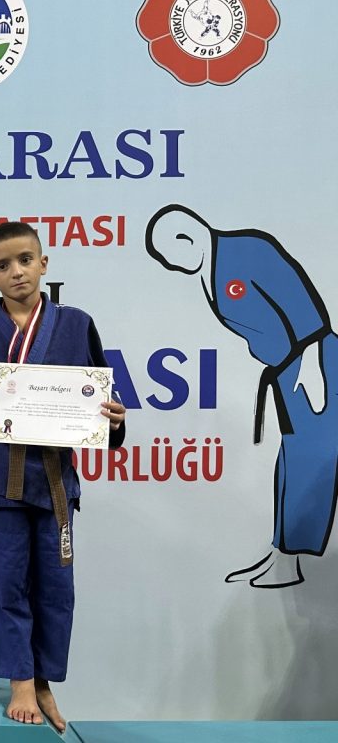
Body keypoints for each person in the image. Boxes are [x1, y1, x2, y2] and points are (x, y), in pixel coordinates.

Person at [0, 221, 126, 732]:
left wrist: (113, 421)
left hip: (53, 482)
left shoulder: (76, 324)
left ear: (44, 263)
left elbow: (98, 397)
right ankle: (21, 681)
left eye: (25, 260)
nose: (17, 272)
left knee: (55, 585)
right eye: (2, 266)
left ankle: (44, 678)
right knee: (4, 582)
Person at [147, 204, 337, 587]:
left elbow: (300, 302)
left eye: (173, 255)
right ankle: (281, 554)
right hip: (286, 367)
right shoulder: (210, 270)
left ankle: (292, 562)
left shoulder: (249, 250)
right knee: (291, 458)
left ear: (189, 235)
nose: (173, 266)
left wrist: (314, 362)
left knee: (313, 457)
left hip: (312, 360)